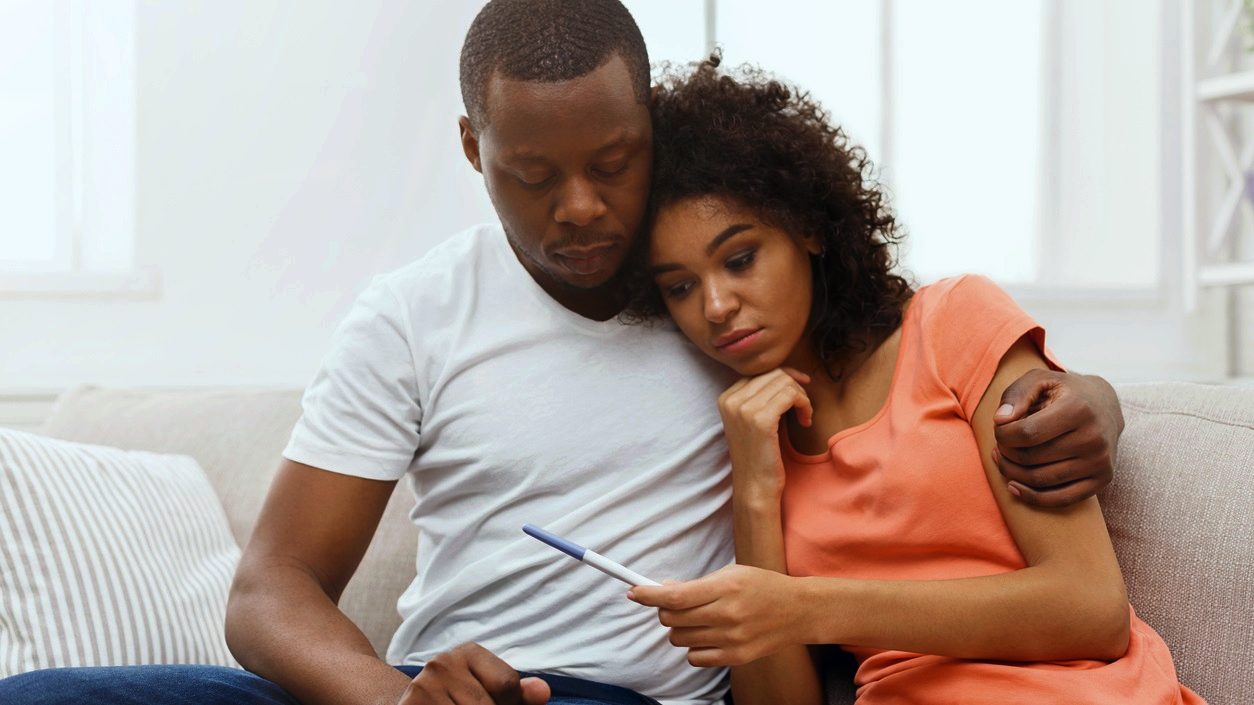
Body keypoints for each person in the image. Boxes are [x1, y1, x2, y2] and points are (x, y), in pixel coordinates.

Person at [0, 2, 1127, 704]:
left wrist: (1088, 396)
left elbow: (903, 363)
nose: (582, 209)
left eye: (614, 164)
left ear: (652, 134)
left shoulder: (727, 314)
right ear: (472, 147)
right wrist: (390, 699)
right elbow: (270, 590)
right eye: (533, 176)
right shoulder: (416, 315)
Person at [624, 58, 1203, 705]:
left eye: (739, 259)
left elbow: (1091, 608)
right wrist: (755, 492)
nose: (715, 306)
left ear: (807, 228)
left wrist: (807, 607)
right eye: (680, 286)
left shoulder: (953, 323)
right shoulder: (755, 438)